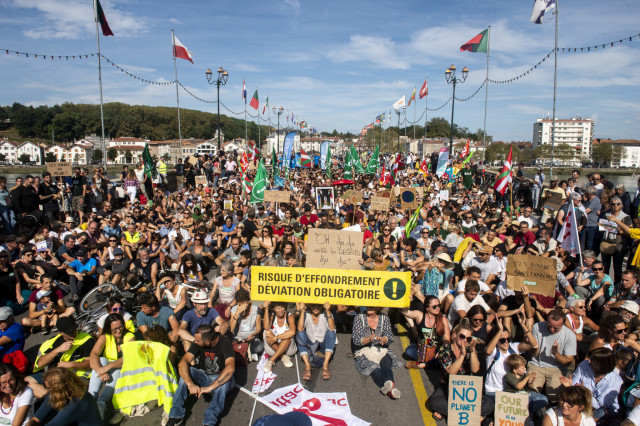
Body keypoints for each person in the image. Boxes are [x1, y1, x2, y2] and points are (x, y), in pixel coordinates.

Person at [165, 324, 236, 426]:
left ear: (207, 342)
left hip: (220, 378)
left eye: (198, 341)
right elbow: (183, 362)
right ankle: (176, 415)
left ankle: (209, 421)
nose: (195, 342)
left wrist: (209, 388)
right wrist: (190, 384)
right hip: (205, 376)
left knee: (225, 382)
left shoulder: (225, 342)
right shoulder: (199, 342)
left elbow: (230, 368)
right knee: (188, 371)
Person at [427, 321, 493, 421]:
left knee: (489, 405)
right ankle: (472, 414)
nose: (465, 340)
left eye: (468, 338)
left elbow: (475, 369)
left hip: (466, 389)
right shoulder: (444, 349)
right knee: (434, 401)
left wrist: (472, 351)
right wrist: (462, 355)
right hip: (448, 387)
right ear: (454, 334)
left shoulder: (470, 349)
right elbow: (451, 371)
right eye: (462, 336)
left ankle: (451, 412)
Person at [88, 313, 135, 420]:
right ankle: (91, 397)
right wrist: (100, 370)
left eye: (120, 327)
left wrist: (108, 367)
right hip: (106, 367)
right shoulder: (105, 336)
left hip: (122, 368)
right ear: (109, 329)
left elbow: (128, 359)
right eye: (114, 329)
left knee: (117, 369)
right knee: (101, 359)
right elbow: (94, 354)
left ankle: (102, 404)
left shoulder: (130, 337)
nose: (118, 331)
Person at [352, 307, 403, 399]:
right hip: (364, 350)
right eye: (368, 306)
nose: (369, 308)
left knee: (386, 363)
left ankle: (388, 383)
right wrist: (368, 339)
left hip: (380, 349)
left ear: (378, 307)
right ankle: (391, 391)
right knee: (374, 368)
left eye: (372, 306)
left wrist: (384, 339)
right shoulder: (359, 318)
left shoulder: (385, 318)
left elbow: (389, 336)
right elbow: (356, 340)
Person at [528, 309, 577, 403]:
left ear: (562, 325)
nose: (551, 329)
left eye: (556, 328)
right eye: (549, 326)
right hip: (537, 364)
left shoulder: (570, 335)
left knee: (555, 397)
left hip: (557, 368)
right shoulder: (537, 327)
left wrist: (556, 354)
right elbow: (533, 353)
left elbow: (568, 362)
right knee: (530, 393)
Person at [559, 347, 621, 421]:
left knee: (597, 414)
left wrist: (584, 392)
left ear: (601, 364)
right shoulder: (584, 365)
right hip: (579, 402)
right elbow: (574, 385)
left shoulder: (615, 380)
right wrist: (570, 387)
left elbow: (599, 405)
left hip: (602, 409)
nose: (589, 361)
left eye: (592, 360)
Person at [26, 367, 102, 426]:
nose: (48, 390)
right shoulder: (57, 394)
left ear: (59, 388)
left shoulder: (76, 403)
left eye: (49, 388)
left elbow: (54, 424)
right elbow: (36, 418)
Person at [32, 317, 96, 382]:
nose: (73, 332)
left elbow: (92, 363)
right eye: (69, 332)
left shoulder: (87, 340)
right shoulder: (53, 342)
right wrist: (58, 349)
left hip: (75, 377)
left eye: (74, 329)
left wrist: (71, 364)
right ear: (60, 332)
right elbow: (40, 363)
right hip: (53, 376)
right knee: (30, 380)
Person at [402, 295, 451, 369]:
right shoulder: (420, 315)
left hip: (436, 350)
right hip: (422, 348)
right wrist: (407, 301)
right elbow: (404, 312)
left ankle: (422, 365)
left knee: (446, 358)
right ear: (427, 308)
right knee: (409, 351)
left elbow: (447, 338)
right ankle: (431, 363)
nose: (438, 308)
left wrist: (442, 350)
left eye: (439, 305)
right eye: (434, 306)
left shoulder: (443, 319)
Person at [296, 302, 336, 381]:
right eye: (313, 306)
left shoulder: (325, 313)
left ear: (322, 306)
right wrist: (302, 312)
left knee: (331, 333)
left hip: (322, 345)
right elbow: (300, 329)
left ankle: (325, 365)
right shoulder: (306, 313)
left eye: (318, 306)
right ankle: (307, 366)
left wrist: (328, 311)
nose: (316, 308)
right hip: (310, 344)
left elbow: (332, 328)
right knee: (300, 334)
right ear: (310, 306)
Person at [261, 301, 297, 373]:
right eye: (278, 308)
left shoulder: (290, 316)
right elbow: (266, 327)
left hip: (288, 349)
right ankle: (283, 356)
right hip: (273, 348)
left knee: (287, 336)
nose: (280, 310)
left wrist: (276, 338)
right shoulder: (272, 316)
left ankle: (271, 360)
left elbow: (293, 332)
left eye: (282, 308)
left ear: (285, 307)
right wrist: (266, 309)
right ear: (274, 309)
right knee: (266, 332)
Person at [229, 289, 263, 363]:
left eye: (245, 303)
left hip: (251, 338)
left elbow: (258, 328)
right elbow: (231, 330)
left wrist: (253, 334)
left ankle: (243, 351)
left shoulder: (256, 309)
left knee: (259, 347)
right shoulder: (234, 310)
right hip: (238, 337)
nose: (243, 307)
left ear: (249, 301)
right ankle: (245, 351)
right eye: (240, 304)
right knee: (227, 345)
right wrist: (237, 313)